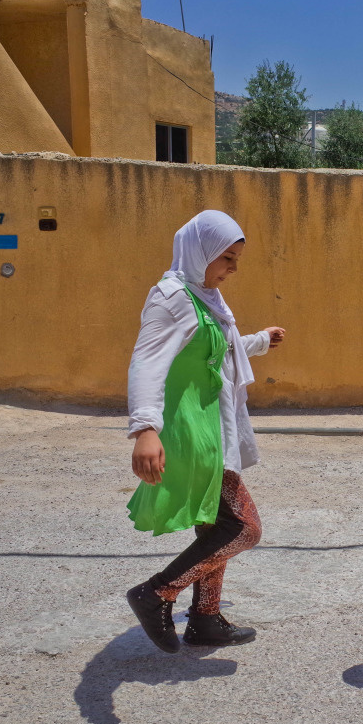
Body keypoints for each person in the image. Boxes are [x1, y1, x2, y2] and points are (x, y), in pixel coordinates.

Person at [124, 210, 285, 653]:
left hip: (212, 426)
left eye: (236, 259)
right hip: (189, 430)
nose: (233, 268)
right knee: (243, 528)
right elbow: (147, 363)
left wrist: (258, 341)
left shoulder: (203, 297)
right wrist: (144, 429)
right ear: (201, 253)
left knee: (216, 526)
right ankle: (157, 592)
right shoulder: (170, 297)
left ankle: (205, 619)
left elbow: (217, 346)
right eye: (227, 258)